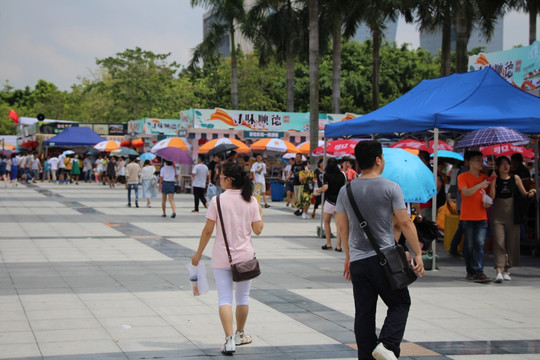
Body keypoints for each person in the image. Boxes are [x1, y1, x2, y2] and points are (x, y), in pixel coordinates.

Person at [335, 140, 424, 360]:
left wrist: (348, 256)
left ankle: (367, 357)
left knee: (364, 314)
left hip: (358, 261)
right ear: (378, 160)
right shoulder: (390, 187)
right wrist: (417, 253)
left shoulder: (345, 190)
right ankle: (388, 344)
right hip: (384, 260)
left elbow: (342, 228)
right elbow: (404, 222)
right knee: (401, 302)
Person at [191, 162, 263, 355]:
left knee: (224, 298)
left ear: (229, 180)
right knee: (243, 297)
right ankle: (240, 334)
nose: (219, 179)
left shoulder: (217, 201)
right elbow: (257, 230)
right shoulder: (251, 201)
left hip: (222, 256)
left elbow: (207, 231)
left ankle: (229, 340)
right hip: (245, 256)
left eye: (221, 177)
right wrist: (260, 211)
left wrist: (198, 253)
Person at [489, 156, 536, 283]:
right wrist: (493, 181)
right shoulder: (495, 180)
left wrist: (531, 192)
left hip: (513, 212)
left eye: (508, 164)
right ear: (498, 167)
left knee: (512, 241)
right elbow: (492, 197)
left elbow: (524, 194)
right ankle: (498, 269)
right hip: (498, 212)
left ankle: (507, 269)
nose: (506, 166)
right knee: (499, 241)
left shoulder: (515, 178)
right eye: (503, 164)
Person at [458, 151, 491, 282]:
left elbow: (487, 195)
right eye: (478, 160)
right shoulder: (463, 176)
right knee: (469, 245)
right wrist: (479, 185)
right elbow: (466, 192)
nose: (481, 162)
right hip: (467, 216)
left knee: (480, 244)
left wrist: (488, 201)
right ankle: (470, 269)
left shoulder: (485, 177)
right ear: (470, 163)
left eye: (481, 160)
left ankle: (479, 271)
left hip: (482, 216)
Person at [316, 158, 347, 251]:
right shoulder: (342, 175)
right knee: (339, 225)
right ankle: (338, 246)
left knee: (326, 222)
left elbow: (325, 187)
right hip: (340, 202)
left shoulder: (326, 175)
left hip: (329, 201)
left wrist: (319, 190)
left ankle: (328, 243)